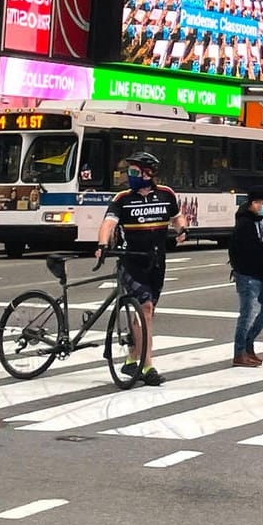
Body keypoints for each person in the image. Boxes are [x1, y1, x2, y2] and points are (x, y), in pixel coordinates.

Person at [95, 152, 188, 386]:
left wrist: (182, 230)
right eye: (130, 172)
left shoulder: (166, 195)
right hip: (131, 261)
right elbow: (108, 222)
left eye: (135, 172)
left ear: (149, 174)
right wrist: (102, 243)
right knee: (145, 308)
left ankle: (130, 361)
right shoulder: (123, 198)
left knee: (148, 312)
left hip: (156, 262)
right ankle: (148, 367)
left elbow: (177, 217)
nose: (130, 176)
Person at [228, 188, 263, 366]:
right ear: (254, 203)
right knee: (247, 314)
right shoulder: (244, 223)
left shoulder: (257, 220)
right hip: (247, 274)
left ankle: (248, 343)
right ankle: (239, 353)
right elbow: (255, 248)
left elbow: (261, 237)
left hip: (260, 274)